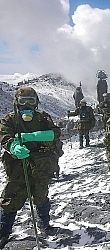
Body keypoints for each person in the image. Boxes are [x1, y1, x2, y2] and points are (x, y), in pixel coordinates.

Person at [0, 87, 63, 247]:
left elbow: (55, 132)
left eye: (31, 101)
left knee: (41, 196)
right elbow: (3, 135)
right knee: (11, 199)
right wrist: (13, 146)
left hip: (40, 166)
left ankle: (45, 225)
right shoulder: (10, 119)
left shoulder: (43, 118)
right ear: (16, 103)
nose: (27, 105)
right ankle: (3, 232)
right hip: (17, 167)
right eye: (23, 101)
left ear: (36, 103)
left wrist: (34, 136)